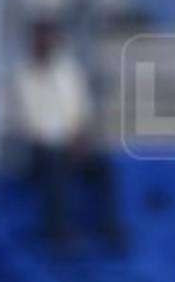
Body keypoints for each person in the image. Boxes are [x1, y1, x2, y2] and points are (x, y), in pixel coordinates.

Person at [11, 19, 124, 254]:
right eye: (42, 38)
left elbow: (81, 111)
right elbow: (26, 122)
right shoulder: (22, 75)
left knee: (103, 166)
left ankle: (109, 229)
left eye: (50, 38)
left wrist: (77, 138)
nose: (47, 43)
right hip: (40, 149)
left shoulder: (68, 71)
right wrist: (57, 143)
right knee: (53, 165)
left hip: (71, 143)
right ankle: (61, 234)